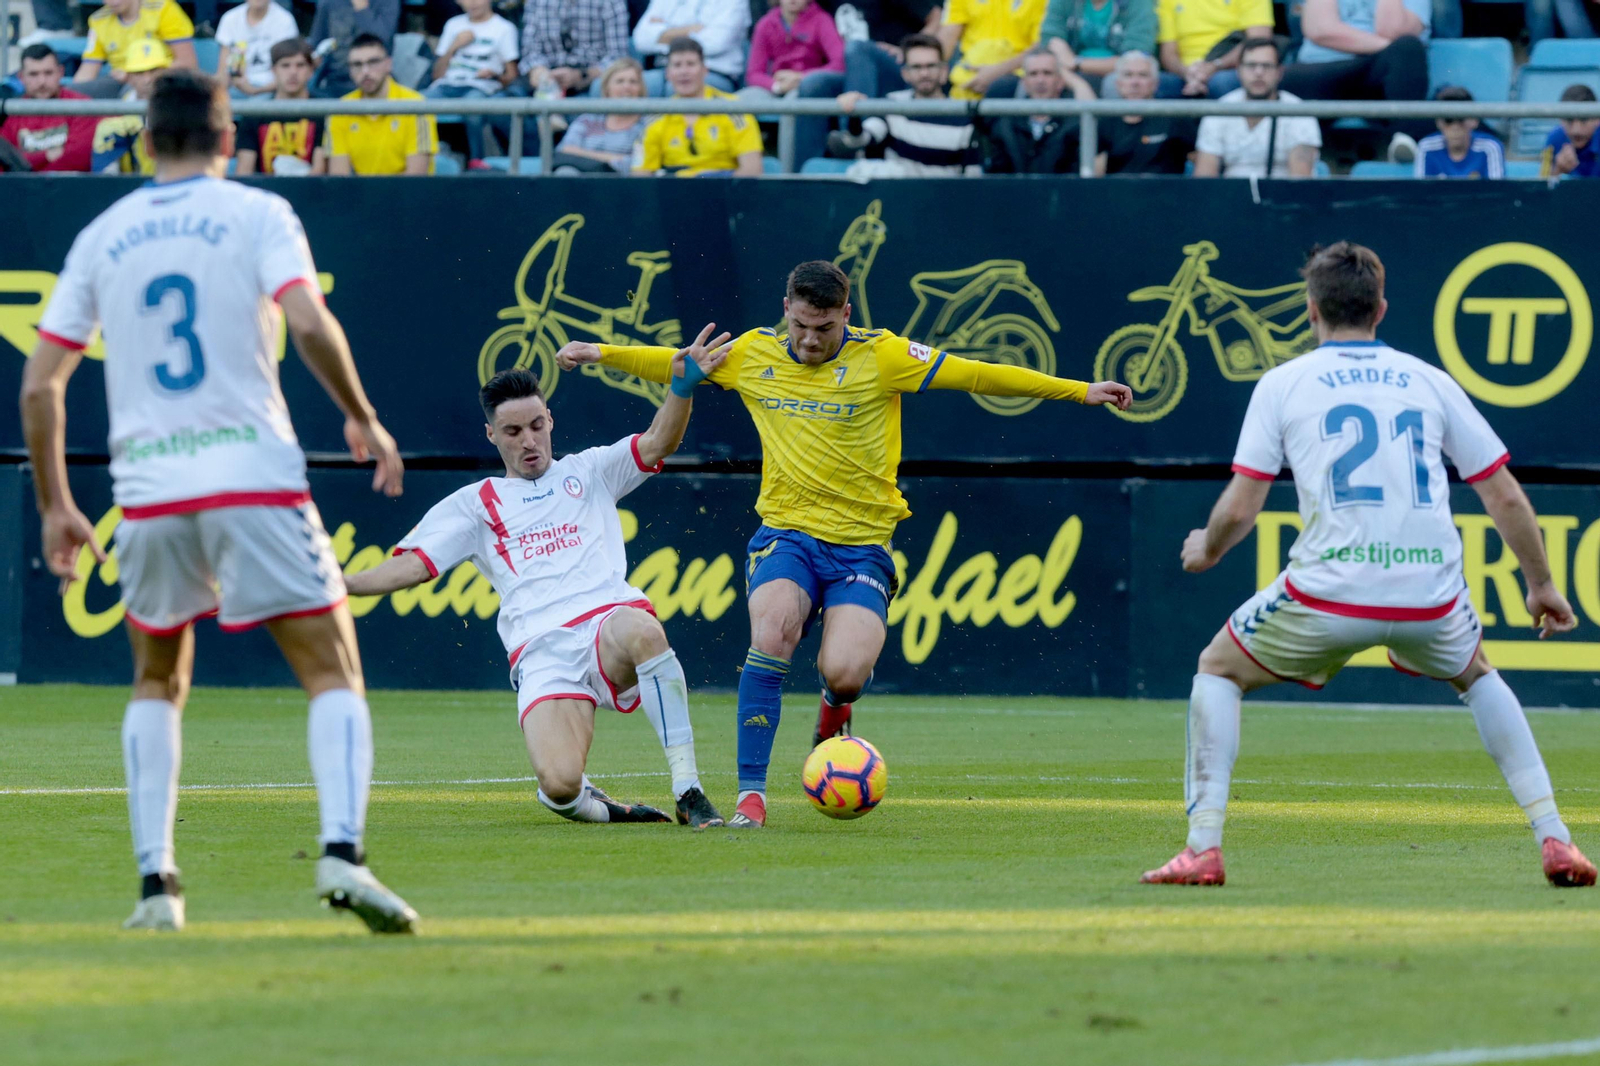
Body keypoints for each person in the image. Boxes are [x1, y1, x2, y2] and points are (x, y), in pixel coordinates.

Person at [21, 68, 418, 933]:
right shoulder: (258, 214)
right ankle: (342, 855)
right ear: (229, 138)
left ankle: (157, 887)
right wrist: (362, 417)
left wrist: (57, 503)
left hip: (150, 496)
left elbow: (41, 387)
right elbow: (309, 322)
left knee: (156, 678)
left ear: (145, 138)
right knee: (332, 670)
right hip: (252, 479)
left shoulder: (102, 235)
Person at [556, 261, 1134, 828]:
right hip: (786, 535)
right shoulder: (753, 353)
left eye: (824, 329)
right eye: (800, 325)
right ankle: (751, 798)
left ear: (846, 316)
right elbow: (679, 363)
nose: (809, 339)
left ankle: (835, 710)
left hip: (861, 548)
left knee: (847, 671)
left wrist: (1080, 390)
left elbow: (977, 374)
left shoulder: (883, 356)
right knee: (772, 633)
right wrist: (600, 353)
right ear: (786, 309)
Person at [1140, 241, 1596, 891]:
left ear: (1310, 311)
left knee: (1216, 669)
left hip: (1328, 595)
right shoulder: (1430, 379)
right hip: (1431, 596)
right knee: (1477, 675)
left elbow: (1241, 508)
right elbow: (1503, 494)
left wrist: (1207, 549)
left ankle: (1202, 848)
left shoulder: (1283, 382)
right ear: (1381, 309)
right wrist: (1542, 585)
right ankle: (1556, 836)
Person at [343, 352, 730, 829]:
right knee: (560, 783)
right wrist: (343, 586)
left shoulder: (589, 471)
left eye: (536, 425)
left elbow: (658, 441)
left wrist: (682, 387)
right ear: (491, 435)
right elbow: (412, 567)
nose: (529, 441)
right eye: (512, 432)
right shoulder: (476, 502)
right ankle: (597, 806)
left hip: (605, 625)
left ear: (550, 420)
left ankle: (688, 790)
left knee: (644, 631)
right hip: (542, 651)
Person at [793, 0, 943, 163]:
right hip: (851, 72)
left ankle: (851, 140)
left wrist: (908, 52)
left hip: (895, 71)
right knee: (812, 84)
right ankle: (806, 173)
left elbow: (936, 16)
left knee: (857, 48)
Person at [1282, 0, 1431, 159]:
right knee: (1280, 77)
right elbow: (1320, 30)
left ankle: (1405, 141)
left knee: (1408, 48)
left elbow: (1394, 31)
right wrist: (1388, 47)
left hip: (1377, 74)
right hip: (1324, 68)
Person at [831, 33, 977, 177]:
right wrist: (854, 113)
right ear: (905, 74)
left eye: (931, 66)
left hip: (947, 197)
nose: (924, 73)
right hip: (901, 196)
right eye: (916, 67)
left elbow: (973, 177)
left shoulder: (963, 116)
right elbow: (863, 138)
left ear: (944, 71)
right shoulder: (893, 105)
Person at [635, 38, 764, 176]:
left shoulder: (733, 108)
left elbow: (752, 170)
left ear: (705, 70)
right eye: (677, 65)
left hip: (723, 192)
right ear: (668, 73)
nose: (684, 72)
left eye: (690, 64)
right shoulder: (656, 116)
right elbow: (641, 174)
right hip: (674, 192)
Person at [1193, 39, 1320, 178]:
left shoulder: (1298, 111)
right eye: (1251, 65)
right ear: (1238, 70)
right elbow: (1204, 178)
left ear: (1279, 72)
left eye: (1267, 66)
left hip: (1281, 197)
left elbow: (1300, 182)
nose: (1259, 72)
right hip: (1230, 196)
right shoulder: (1220, 109)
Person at [328, 35, 439, 175]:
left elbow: (415, 178)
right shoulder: (340, 109)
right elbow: (340, 177)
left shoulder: (416, 105)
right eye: (357, 65)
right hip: (362, 195)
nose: (365, 71)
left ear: (388, 64)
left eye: (373, 62)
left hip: (406, 195)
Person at [975, 46, 1097, 174]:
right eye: (1033, 74)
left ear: (1061, 81)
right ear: (1024, 82)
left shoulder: (1074, 123)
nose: (1040, 80)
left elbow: (1095, 118)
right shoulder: (1005, 125)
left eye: (1047, 73)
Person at [426, 0, 520, 162]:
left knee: (473, 108)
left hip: (480, 86)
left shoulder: (504, 28)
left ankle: (477, 162)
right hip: (447, 85)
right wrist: (454, 46)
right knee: (414, 103)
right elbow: (437, 75)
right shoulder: (453, 24)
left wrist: (495, 75)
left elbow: (512, 76)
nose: (472, 2)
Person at [236, 39, 330, 176]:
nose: (293, 72)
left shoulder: (324, 111)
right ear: (274, 71)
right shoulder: (253, 114)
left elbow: (319, 170)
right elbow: (244, 172)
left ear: (311, 71)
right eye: (285, 66)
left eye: (300, 65)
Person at [75, 0, 199, 100]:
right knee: (74, 93)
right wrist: (68, 94)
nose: (112, 1)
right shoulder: (98, 20)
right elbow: (88, 69)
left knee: (133, 92)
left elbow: (188, 63)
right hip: (119, 80)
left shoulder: (163, 8)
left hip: (161, 78)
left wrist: (134, 76)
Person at [1, 45, 97, 173]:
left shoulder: (81, 105)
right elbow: (5, 163)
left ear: (60, 72)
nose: (42, 81)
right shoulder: (13, 112)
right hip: (23, 189)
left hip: (71, 188)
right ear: (21, 77)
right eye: (33, 74)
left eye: (48, 73)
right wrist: (46, 156)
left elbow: (79, 160)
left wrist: (26, 165)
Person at [1095, 50, 1194, 174]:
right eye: (1128, 75)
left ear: (1155, 84)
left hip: (1164, 191)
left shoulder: (1175, 118)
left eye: (1143, 75)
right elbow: (1095, 177)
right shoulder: (1104, 122)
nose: (1135, 82)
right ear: (1118, 84)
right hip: (1118, 191)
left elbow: (1198, 162)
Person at [553, 57, 651, 172]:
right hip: (581, 183)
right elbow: (564, 152)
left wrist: (583, 156)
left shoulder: (648, 124)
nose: (626, 87)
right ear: (607, 88)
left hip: (624, 185)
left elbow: (638, 165)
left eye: (633, 82)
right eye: (620, 81)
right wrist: (612, 159)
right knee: (565, 172)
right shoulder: (587, 120)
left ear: (640, 89)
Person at [1155, 0, 1270, 98]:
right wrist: (1187, 73)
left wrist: (1214, 66)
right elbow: (1168, 54)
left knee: (1221, 82)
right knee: (1156, 83)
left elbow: (1258, 41)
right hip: (1186, 72)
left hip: (1230, 65)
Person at [631, 0, 751, 93]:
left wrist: (663, 34)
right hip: (664, 69)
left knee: (675, 89)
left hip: (714, 71)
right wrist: (691, 30)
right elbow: (640, 39)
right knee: (636, 85)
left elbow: (715, 43)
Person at [1039, 0, 1157, 93]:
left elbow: (1135, 56)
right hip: (1069, 69)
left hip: (1119, 70)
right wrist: (1076, 82)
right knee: (1037, 79)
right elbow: (1050, 38)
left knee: (1115, 84)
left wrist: (1076, 63)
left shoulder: (1139, 3)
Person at [938, 0, 1047, 100]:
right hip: (969, 78)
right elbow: (946, 40)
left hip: (1016, 78)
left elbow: (1041, 46)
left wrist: (997, 71)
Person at [91, 39, 170, 174]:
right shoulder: (115, 118)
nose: (147, 79)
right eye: (139, 73)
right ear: (128, 77)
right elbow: (105, 175)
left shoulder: (184, 107)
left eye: (153, 71)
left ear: (166, 72)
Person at [519, 0, 629, 97]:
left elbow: (618, 58)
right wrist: (538, 70)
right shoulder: (535, 2)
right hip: (546, 79)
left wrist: (582, 75)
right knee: (515, 96)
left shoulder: (612, 2)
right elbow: (529, 51)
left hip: (590, 82)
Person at [742, 0, 844, 102]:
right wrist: (776, 86)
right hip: (775, 86)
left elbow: (839, 63)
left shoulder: (822, 20)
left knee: (793, 103)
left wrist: (800, 77)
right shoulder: (765, 24)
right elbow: (754, 73)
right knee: (741, 100)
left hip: (807, 88)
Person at [309, 0, 401, 96]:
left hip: (377, 81)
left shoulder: (388, 2)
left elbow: (382, 42)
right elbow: (317, 44)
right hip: (336, 83)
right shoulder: (328, 3)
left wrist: (362, 10)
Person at [1414, 86, 1502, 180]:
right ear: (1438, 122)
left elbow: (1498, 192)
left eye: (1461, 119)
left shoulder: (1489, 148)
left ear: (1474, 120)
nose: (1455, 127)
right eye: (1448, 120)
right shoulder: (1427, 148)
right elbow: (1422, 193)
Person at [216, 0, 301, 97]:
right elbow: (223, 72)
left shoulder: (285, 21)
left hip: (272, 90)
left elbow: (288, 73)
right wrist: (235, 81)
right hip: (236, 89)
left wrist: (255, 90)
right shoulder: (230, 19)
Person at [1541, 85, 1600, 180]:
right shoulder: (1553, 139)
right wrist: (1557, 171)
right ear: (1560, 119)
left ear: (1597, 119)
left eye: (1584, 120)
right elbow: (1541, 187)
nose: (1576, 130)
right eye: (1569, 120)